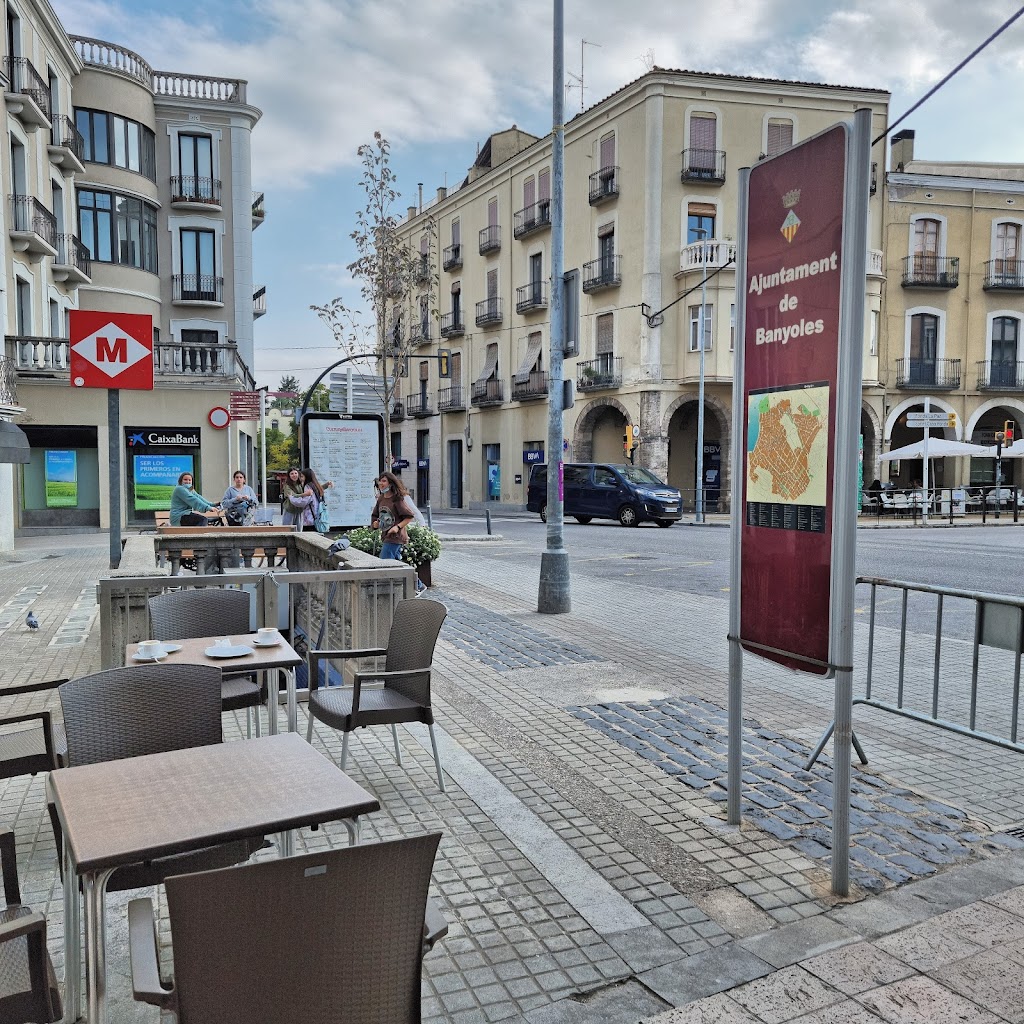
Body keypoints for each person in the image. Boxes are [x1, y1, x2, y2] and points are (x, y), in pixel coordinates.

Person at [371, 471, 426, 591]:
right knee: (399, 564)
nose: (381, 483)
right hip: (386, 535)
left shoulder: (397, 499)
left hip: (396, 537)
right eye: (380, 481)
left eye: (384, 481)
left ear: (390, 483)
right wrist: (375, 523)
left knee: (385, 561)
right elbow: (375, 515)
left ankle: (384, 590)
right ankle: (418, 584)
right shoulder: (381, 499)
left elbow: (409, 516)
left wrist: (397, 527)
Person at [287, 467, 325, 532]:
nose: (300, 478)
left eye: (302, 476)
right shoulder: (315, 485)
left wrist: (291, 498)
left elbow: (303, 502)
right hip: (317, 517)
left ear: (306, 477)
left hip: (310, 519)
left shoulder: (308, 487)